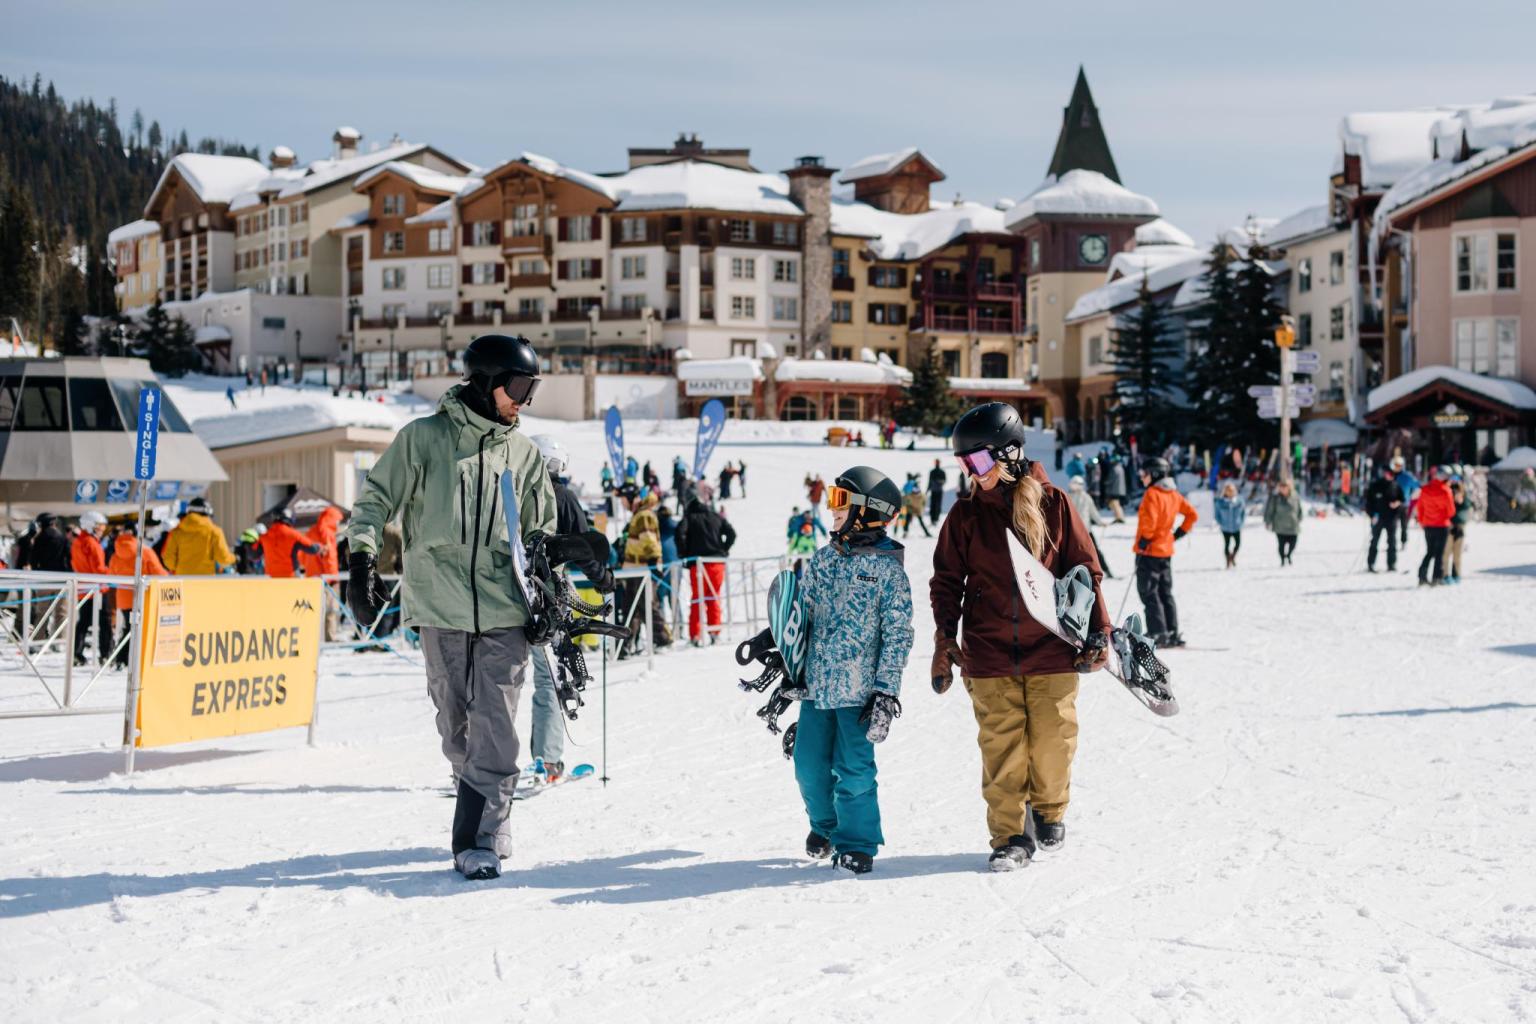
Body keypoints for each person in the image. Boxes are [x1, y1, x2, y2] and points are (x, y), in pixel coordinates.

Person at [345, 333, 563, 881]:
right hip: (439, 606)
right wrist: (362, 561)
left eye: (531, 389)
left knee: (496, 726)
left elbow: (542, 535)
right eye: (519, 387)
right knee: (456, 727)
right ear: (486, 382)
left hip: (503, 610)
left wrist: (549, 593)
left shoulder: (526, 455)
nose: (525, 400)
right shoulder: (423, 440)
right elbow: (375, 500)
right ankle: (492, 803)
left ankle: (478, 837)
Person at [931, 403, 1110, 870]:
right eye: (965, 464)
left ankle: (1049, 809)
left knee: (1052, 742)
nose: (973, 472)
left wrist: (1099, 632)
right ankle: (1010, 836)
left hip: (1052, 648)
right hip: (988, 654)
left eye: (980, 461)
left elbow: (1085, 570)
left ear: (1009, 454)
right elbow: (946, 580)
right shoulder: (966, 515)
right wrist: (944, 640)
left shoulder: (1054, 504)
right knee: (1002, 750)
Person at [793, 466, 913, 875]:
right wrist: (780, 649)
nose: (832, 510)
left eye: (841, 501)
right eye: (832, 500)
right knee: (807, 767)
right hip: (816, 687)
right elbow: (801, 614)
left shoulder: (887, 570)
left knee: (855, 771)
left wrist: (886, 690)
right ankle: (825, 827)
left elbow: (898, 634)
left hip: (860, 694)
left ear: (868, 510)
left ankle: (856, 843)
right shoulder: (824, 559)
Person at [526, 435, 612, 777]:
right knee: (549, 677)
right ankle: (547, 759)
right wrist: (602, 578)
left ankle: (478, 765)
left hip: (506, 593)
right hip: (547, 595)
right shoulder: (561, 496)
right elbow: (583, 543)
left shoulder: (515, 494)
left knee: (499, 681)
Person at [1133, 455, 1197, 648]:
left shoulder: (1153, 493)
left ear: (1154, 474)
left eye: (1144, 474)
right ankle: (1171, 631)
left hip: (1150, 551)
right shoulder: (1174, 494)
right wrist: (1178, 533)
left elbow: (1149, 521)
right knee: (1165, 592)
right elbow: (1192, 514)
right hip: (1166, 551)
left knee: (1149, 592)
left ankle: (1158, 632)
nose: (1142, 478)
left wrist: (1145, 540)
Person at [676, 490, 736, 645]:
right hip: (716, 563)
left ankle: (695, 635)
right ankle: (715, 632)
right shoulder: (715, 516)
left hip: (698, 564)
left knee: (697, 599)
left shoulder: (689, 517)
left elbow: (679, 533)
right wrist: (724, 549)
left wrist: (683, 554)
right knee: (714, 597)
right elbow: (731, 533)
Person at [617, 492, 671, 658]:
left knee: (646, 605)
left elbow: (649, 539)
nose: (623, 504)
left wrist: (654, 561)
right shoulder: (640, 514)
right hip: (635, 568)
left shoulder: (644, 515)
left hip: (640, 568)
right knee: (632, 608)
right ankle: (625, 645)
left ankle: (662, 639)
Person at [107, 523, 168, 668]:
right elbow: (159, 573)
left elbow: (111, 575)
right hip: (142, 597)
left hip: (123, 597)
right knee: (141, 629)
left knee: (128, 629)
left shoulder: (116, 555)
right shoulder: (145, 552)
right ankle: (133, 658)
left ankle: (122, 658)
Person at [70, 511, 113, 666]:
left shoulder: (77, 542)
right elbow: (99, 568)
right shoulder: (92, 543)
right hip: (97, 589)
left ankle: (77, 653)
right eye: (100, 526)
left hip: (84, 588)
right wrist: (113, 572)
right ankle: (106, 654)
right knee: (105, 622)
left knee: (83, 622)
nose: (102, 529)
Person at [299, 506, 345, 639]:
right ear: (332, 519)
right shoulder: (328, 534)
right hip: (327, 579)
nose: (338, 524)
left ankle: (314, 638)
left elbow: (302, 555)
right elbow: (329, 558)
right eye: (337, 521)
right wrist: (332, 578)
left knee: (313, 610)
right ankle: (330, 637)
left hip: (311, 577)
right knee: (331, 610)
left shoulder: (311, 531)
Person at [162, 497, 237, 576]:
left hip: (183, 580)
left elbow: (169, 560)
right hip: (205, 581)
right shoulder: (214, 532)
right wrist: (234, 558)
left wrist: (179, 568)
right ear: (207, 513)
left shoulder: (176, 532)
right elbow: (223, 559)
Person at [1067, 476, 1113, 578]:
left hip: (1086, 531)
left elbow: (1093, 512)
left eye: (1078, 484)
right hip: (1073, 531)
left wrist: (1100, 522)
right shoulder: (1067, 497)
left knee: (1095, 551)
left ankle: (1106, 571)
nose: (1076, 487)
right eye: (1074, 484)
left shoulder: (1086, 497)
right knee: (1073, 554)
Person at [1415, 466, 1454, 586]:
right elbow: (1451, 511)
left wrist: (1422, 521)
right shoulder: (1445, 490)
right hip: (1442, 525)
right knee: (1439, 553)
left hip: (1428, 525)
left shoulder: (1425, 489)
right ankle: (1437, 577)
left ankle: (1422, 575)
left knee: (1430, 551)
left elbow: (1419, 507)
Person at [258, 509, 321, 579]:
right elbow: (312, 548)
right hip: (290, 576)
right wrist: (319, 546)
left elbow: (254, 555)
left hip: (271, 577)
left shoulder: (265, 536)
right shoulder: (293, 534)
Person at [1364, 468, 1402, 573]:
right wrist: (1372, 515)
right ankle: (1370, 563)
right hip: (1378, 518)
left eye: (1392, 474)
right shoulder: (1376, 485)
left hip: (1391, 519)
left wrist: (1397, 504)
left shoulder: (1396, 485)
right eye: (1388, 473)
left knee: (1392, 542)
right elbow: (1368, 502)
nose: (1389, 476)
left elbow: (1402, 499)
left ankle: (1391, 564)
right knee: (1374, 541)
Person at [1264, 479, 1303, 566]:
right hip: (1280, 525)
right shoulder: (1275, 498)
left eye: (1285, 487)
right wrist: (1268, 521)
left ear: (1289, 487)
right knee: (1281, 545)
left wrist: (1300, 517)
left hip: (1293, 525)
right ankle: (1282, 560)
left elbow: (1299, 508)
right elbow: (1270, 510)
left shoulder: (1295, 496)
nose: (1283, 489)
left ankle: (1288, 555)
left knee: (1293, 544)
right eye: (1281, 487)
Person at [1214, 481, 1245, 569]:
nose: (1230, 492)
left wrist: (1241, 522)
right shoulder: (1220, 502)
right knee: (1227, 544)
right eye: (1228, 490)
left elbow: (1243, 513)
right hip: (1225, 527)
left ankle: (1232, 557)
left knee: (1238, 544)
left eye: (1232, 490)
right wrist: (1221, 523)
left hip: (1236, 526)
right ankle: (1228, 560)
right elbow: (1217, 515)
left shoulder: (1239, 501)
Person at [1392, 455, 1420, 547]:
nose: (1397, 467)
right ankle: (1392, 542)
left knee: (1404, 525)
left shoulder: (1407, 476)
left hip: (1404, 504)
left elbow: (1417, 486)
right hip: (1392, 504)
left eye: (1399, 465)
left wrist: (1411, 496)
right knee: (1392, 525)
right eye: (1395, 465)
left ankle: (1403, 541)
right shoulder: (1390, 475)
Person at [1446, 478, 1470, 584]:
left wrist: (1461, 500)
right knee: (1446, 552)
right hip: (1448, 526)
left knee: (1457, 553)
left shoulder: (1464, 495)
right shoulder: (1446, 492)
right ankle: (1445, 575)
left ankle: (1456, 574)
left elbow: (1467, 506)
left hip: (1459, 526)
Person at [899, 473, 931, 539]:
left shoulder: (916, 495)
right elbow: (924, 501)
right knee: (911, 521)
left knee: (911, 521)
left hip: (914, 508)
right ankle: (906, 532)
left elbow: (924, 502)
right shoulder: (916, 494)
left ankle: (906, 532)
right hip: (913, 509)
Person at [1105, 455, 1128, 523]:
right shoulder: (1121, 468)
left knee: (1115, 504)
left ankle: (1119, 517)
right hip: (1120, 489)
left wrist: (1106, 482)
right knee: (1116, 503)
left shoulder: (1114, 468)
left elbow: (1111, 479)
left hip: (1115, 489)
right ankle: (1118, 516)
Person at [926, 459, 947, 525]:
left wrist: (939, 482)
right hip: (934, 490)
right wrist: (928, 489)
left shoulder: (941, 472)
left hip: (938, 490)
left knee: (937, 505)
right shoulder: (933, 472)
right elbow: (929, 481)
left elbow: (944, 480)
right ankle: (933, 519)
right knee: (933, 505)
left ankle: (936, 519)